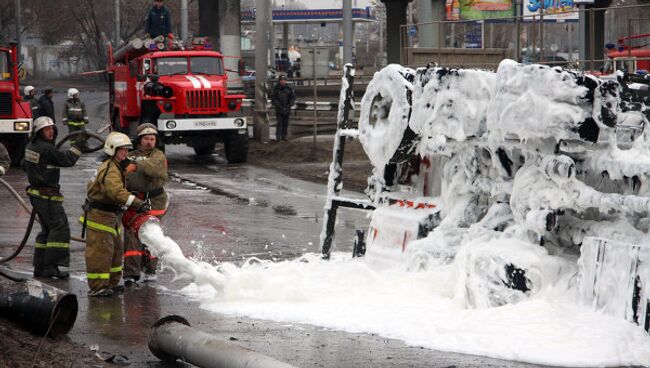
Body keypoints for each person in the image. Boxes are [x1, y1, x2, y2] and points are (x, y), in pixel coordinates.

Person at [82, 132, 147, 297]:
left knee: (115, 252)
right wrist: (137, 203)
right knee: (101, 253)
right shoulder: (110, 169)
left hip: (111, 216)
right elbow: (116, 192)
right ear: (112, 150)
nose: (125, 153)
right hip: (101, 216)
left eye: (126, 149)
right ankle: (98, 287)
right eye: (122, 150)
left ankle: (110, 283)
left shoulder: (115, 166)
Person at [22, 116, 82, 278]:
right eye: (46, 129)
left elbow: (23, 164)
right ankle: (51, 267)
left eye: (52, 129)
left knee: (46, 230)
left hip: (37, 195)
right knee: (60, 229)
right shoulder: (46, 149)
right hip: (47, 197)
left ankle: (40, 267)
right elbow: (68, 160)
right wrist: (79, 145)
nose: (50, 132)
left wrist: (38, 171)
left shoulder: (30, 146)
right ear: (38, 132)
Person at [123, 123, 168, 285]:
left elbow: (155, 169)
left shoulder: (158, 156)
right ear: (139, 140)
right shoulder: (130, 155)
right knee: (131, 236)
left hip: (154, 202)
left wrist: (136, 165)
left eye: (152, 139)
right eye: (146, 139)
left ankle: (150, 269)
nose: (149, 142)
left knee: (149, 234)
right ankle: (131, 272)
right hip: (134, 201)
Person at [271, 75, 295, 141]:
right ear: (279, 81)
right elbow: (273, 98)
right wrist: (279, 105)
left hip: (287, 108)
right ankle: (278, 137)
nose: (283, 81)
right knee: (279, 123)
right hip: (279, 109)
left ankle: (284, 136)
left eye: (284, 80)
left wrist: (289, 105)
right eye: (281, 80)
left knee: (285, 123)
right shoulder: (276, 88)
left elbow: (292, 98)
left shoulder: (289, 88)